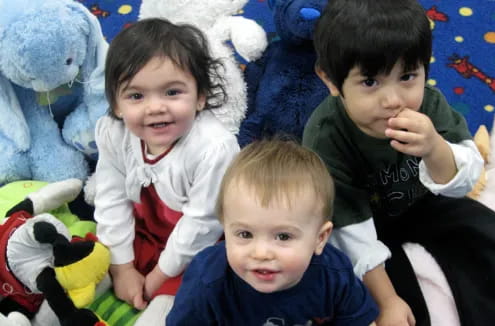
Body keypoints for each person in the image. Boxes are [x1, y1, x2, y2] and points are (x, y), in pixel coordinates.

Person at [302, 0, 495, 325]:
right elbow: (351, 233)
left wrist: (434, 147)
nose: (393, 100)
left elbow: (463, 179)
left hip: (425, 204)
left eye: (406, 76)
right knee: (380, 293)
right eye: (370, 82)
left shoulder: (429, 106)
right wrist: (388, 301)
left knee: (486, 228)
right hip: (368, 225)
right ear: (331, 80)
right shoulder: (326, 137)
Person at [93, 18, 240, 325]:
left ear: (200, 97)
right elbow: (110, 197)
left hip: (196, 248)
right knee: (86, 262)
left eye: (172, 93)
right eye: (136, 96)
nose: (155, 107)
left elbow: (201, 224)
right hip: (142, 234)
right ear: (117, 105)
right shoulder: (114, 132)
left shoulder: (214, 147)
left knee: (192, 294)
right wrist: (122, 266)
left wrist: (158, 277)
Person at [166, 139, 379, 325]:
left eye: (283, 236)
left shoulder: (334, 275)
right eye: (245, 234)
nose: (261, 253)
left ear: (320, 238)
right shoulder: (207, 282)